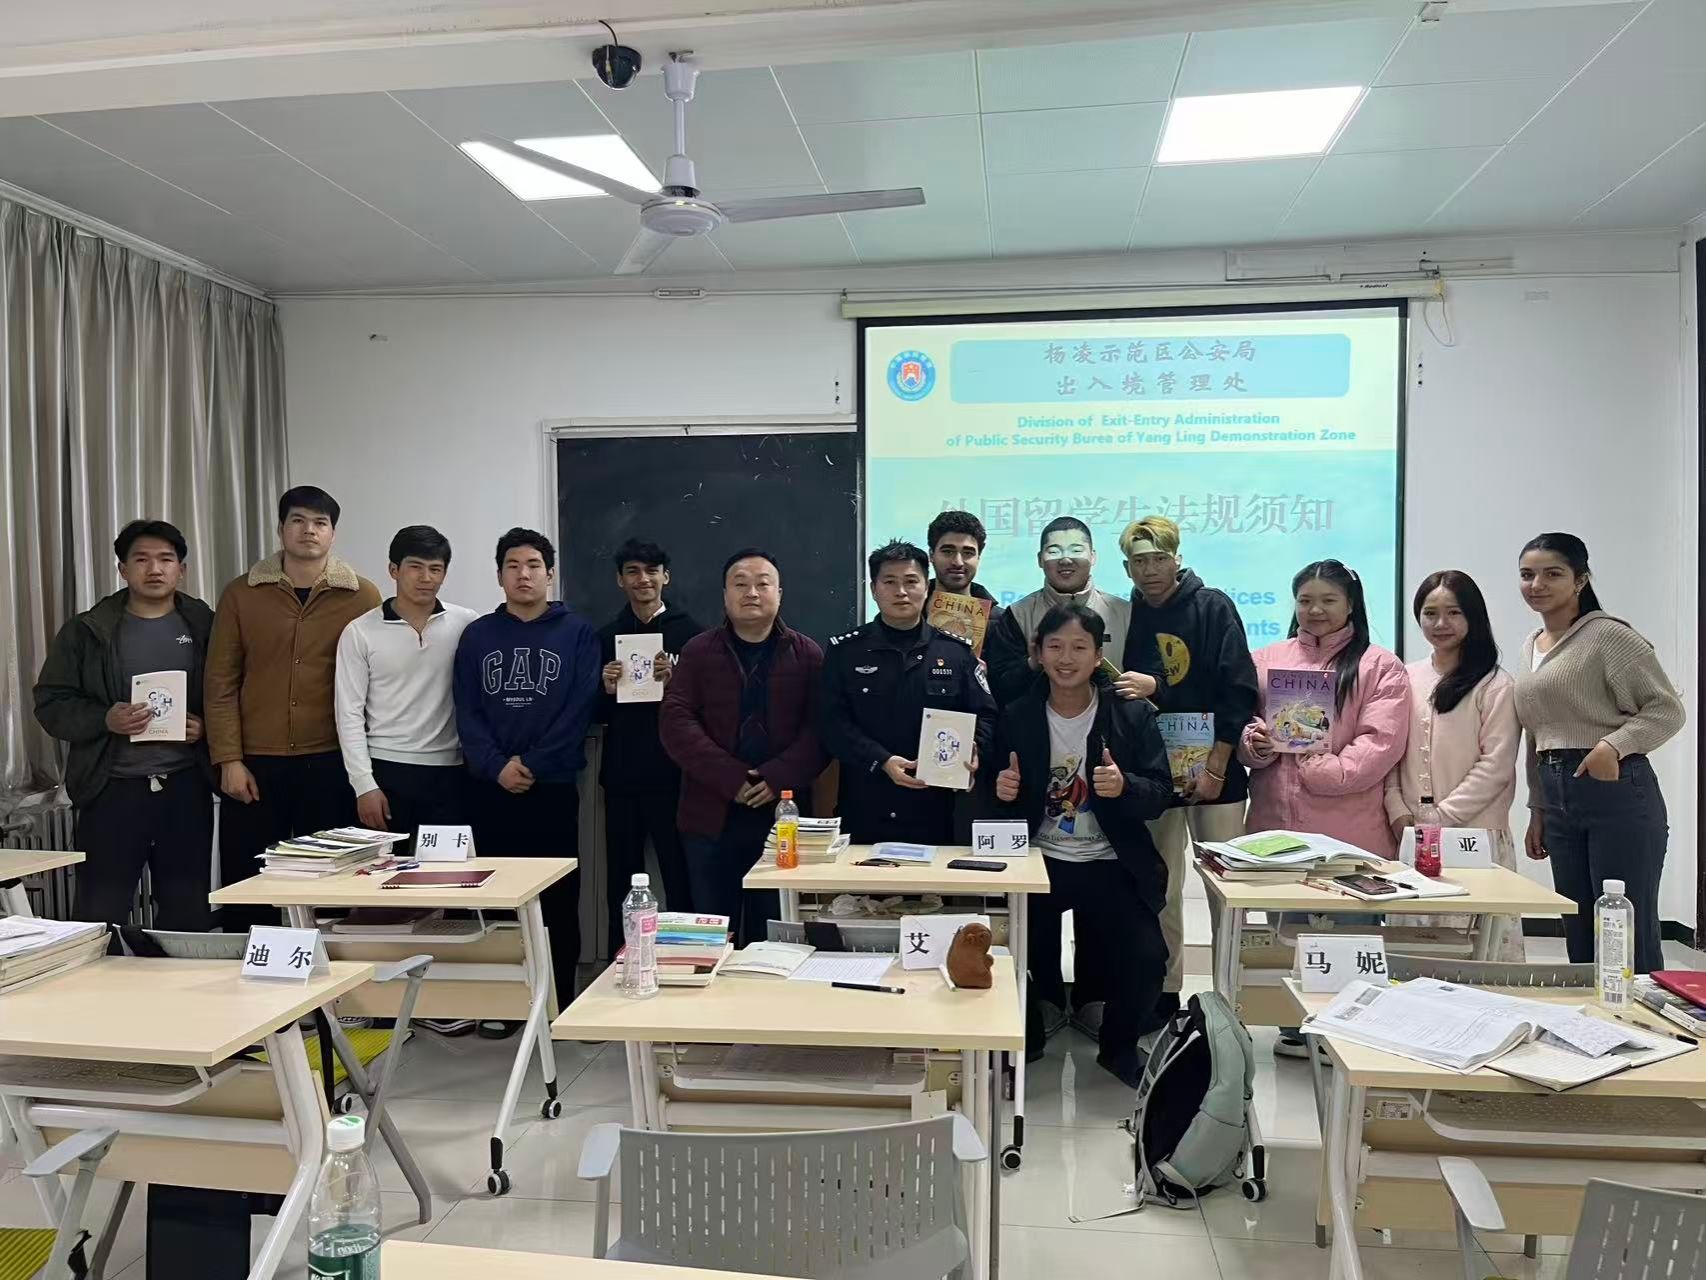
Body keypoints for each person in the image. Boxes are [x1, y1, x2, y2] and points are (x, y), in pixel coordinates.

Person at [989, 604, 1173, 1088]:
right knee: (1008, 954)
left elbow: (1160, 792)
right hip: (1038, 861)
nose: (1066, 658)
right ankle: (1026, 1040)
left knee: (1147, 957)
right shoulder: (1018, 714)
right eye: (1055, 646)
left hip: (1110, 861)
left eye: (1078, 648)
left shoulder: (1131, 713)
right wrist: (1002, 787)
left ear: (1097, 657)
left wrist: (1125, 786)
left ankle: (1118, 1048)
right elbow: (994, 783)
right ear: (1038, 653)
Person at [1239, 559, 1409, 1058]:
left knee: (1350, 934)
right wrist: (1255, 744)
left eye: (1328, 600)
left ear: (1351, 604)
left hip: (1348, 831)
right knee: (1286, 932)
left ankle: (1348, 1033)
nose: (1315, 610)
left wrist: (1320, 768)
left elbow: (1380, 743)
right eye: (1305, 600)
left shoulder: (1379, 665)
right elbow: (1245, 721)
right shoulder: (1266, 658)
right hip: (1275, 824)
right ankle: (1294, 1028)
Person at [206, 487, 380, 931]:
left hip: (330, 761)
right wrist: (228, 759)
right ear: (281, 528)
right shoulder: (242, 593)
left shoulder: (361, 596)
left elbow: (375, 685)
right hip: (256, 763)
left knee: (332, 887)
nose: (309, 530)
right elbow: (221, 681)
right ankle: (248, 967)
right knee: (248, 884)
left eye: (320, 523)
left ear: (333, 533)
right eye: (298, 520)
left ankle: (330, 974)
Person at [33, 520, 216, 929]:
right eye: (142, 559)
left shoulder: (205, 626)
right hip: (111, 789)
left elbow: (231, 696)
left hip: (185, 787)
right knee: (100, 911)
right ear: (122, 569)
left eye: (166, 559)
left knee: (187, 910)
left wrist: (207, 729)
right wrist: (105, 718)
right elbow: (50, 702)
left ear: (182, 569)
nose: (155, 569)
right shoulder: (88, 630)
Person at [1514, 533, 1683, 975]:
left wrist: (1613, 744)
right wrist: (1538, 809)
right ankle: (1594, 1013)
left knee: (1623, 925)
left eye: (1552, 574)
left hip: (1616, 789)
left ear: (1580, 580)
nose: (1537, 584)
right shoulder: (1531, 645)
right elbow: (1537, 733)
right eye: (1527, 575)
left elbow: (1667, 710)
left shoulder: (1609, 635)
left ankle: (1643, 1015)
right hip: (1556, 795)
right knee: (1579, 924)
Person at [1119, 515, 1259, 1026]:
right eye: (1139, 561)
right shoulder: (1127, 614)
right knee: (1161, 885)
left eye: (1159, 558)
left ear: (1177, 558)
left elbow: (1238, 688)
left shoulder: (1212, 606)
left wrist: (1217, 767)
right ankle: (1165, 991)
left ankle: (1230, 1000)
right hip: (1154, 774)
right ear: (1127, 567)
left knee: (1226, 890)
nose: (1150, 570)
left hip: (1216, 773)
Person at [453, 528, 600, 1004]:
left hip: (552, 786)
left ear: (550, 574)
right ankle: (507, 1002)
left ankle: (559, 999)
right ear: (499, 576)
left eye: (534, 565)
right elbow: (466, 709)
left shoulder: (578, 633)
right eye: (513, 566)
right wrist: (497, 766)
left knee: (557, 896)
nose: (524, 574)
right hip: (489, 789)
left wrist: (533, 762)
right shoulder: (477, 635)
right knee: (496, 898)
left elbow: (578, 709)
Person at [659, 549, 825, 944]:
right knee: (714, 933)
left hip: (782, 814)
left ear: (779, 593)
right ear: (725, 595)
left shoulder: (807, 654)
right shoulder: (699, 651)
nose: (752, 592)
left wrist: (776, 776)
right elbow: (676, 721)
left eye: (762, 584)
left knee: (776, 934)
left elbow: (821, 729)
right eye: (740, 584)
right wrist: (731, 778)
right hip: (710, 812)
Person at [1383, 570, 1524, 961]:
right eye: (1430, 613)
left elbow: (1495, 766)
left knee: (1475, 950)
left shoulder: (1495, 684)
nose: (1440, 623)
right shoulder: (1405, 676)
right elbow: (1391, 750)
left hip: (1473, 835)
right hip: (1411, 833)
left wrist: (1439, 818)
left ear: (1473, 616)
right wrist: (1397, 808)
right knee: (1412, 951)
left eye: (1453, 612)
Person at [820, 541, 996, 845]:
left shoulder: (955, 652)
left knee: (932, 878)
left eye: (911, 581)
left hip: (933, 811)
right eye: (890, 582)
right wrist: (881, 760)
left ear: (926, 588)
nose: (901, 591)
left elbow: (986, 715)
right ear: (874, 590)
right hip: (865, 805)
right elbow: (831, 722)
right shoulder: (845, 651)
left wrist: (974, 747)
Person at [335, 526, 478, 854]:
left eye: (436, 569)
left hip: (451, 775)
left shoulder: (467, 624)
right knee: (384, 879)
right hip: (386, 771)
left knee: (447, 876)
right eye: (416, 566)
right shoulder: (360, 632)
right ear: (394, 570)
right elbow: (349, 713)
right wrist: (364, 785)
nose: (426, 578)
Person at [596, 538, 703, 945]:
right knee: (621, 879)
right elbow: (592, 712)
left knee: (679, 874)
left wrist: (676, 684)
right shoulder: (606, 637)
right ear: (619, 580)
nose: (643, 579)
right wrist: (605, 689)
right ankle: (619, 959)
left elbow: (707, 707)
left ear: (666, 577)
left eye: (651, 571)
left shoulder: (693, 637)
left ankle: (686, 957)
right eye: (633, 572)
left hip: (676, 776)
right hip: (622, 776)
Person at [985, 517, 1148, 706]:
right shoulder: (1017, 614)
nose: (1065, 559)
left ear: (1093, 556)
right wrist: (1032, 664)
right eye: (1054, 551)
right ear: (1040, 559)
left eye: (1076, 550)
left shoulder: (1126, 613)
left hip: (1113, 721)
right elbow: (999, 687)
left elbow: (1145, 678)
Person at [924, 509, 1004, 635]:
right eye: (948, 551)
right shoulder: (907, 611)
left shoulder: (1002, 622)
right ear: (931, 555)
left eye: (968, 553)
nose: (958, 562)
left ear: (978, 557)